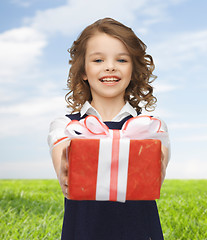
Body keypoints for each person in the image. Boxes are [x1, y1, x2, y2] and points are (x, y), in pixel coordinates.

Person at [48, 17, 170, 240]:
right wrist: (65, 167)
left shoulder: (151, 126)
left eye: (122, 60)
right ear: (83, 70)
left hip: (140, 233)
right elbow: (64, 169)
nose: (110, 66)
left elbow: (155, 177)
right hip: (84, 232)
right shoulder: (67, 126)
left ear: (134, 70)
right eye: (98, 60)